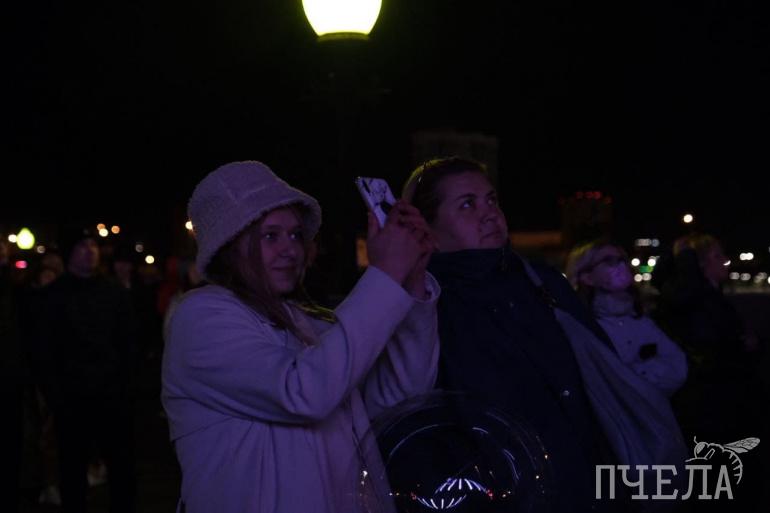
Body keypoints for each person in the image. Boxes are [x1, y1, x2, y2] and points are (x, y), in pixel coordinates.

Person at [402, 156, 684, 512]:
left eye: (491, 200)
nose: (489, 214)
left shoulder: (541, 282)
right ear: (427, 228)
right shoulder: (424, 306)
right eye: (467, 204)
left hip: (596, 487)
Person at [161, 161, 440, 513]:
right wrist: (386, 273)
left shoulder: (310, 323)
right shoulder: (200, 316)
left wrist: (410, 282)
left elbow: (397, 400)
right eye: (270, 236)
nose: (290, 249)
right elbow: (303, 392)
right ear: (229, 245)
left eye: (295, 235)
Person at [28, 227, 137, 513]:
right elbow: (43, 352)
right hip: (72, 399)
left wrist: (125, 386)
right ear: (69, 253)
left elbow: (127, 343)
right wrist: (56, 397)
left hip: (110, 395)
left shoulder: (113, 293)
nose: (90, 251)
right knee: (73, 470)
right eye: (82, 246)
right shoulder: (52, 297)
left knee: (121, 466)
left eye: (93, 245)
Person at [566, 240, 687, 396]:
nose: (621, 266)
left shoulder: (639, 316)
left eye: (622, 259)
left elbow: (677, 366)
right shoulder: (582, 326)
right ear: (586, 276)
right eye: (609, 261)